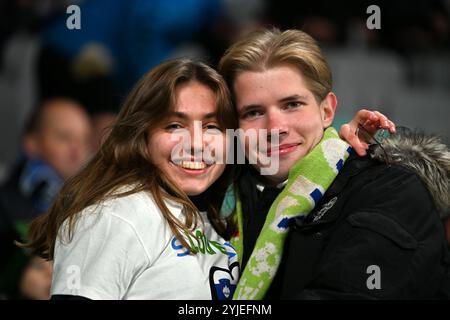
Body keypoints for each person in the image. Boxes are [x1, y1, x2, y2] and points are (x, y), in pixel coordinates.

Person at [218, 28, 450, 299]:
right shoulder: (216, 197)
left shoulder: (391, 191)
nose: (275, 127)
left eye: (292, 104)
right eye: (254, 112)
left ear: (327, 111)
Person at [23, 59, 240, 300]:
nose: (197, 144)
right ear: (142, 136)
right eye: (175, 125)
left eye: (212, 127)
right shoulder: (115, 216)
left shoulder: (222, 216)